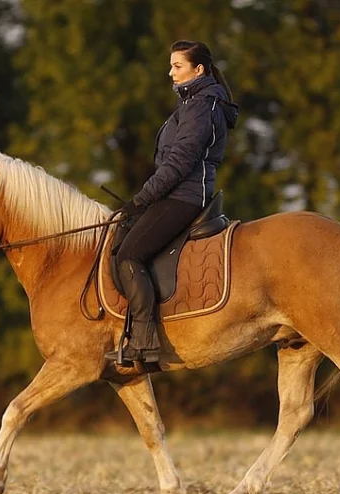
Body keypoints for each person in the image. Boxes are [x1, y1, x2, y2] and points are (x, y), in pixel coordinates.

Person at [107, 40, 239, 366]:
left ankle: (143, 341)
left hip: (185, 196)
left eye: (177, 66)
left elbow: (178, 163)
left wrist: (142, 199)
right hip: (177, 193)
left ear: (199, 70)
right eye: (171, 66)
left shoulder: (202, 106)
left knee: (129, 254)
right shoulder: (193, 104)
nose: (170, 73)